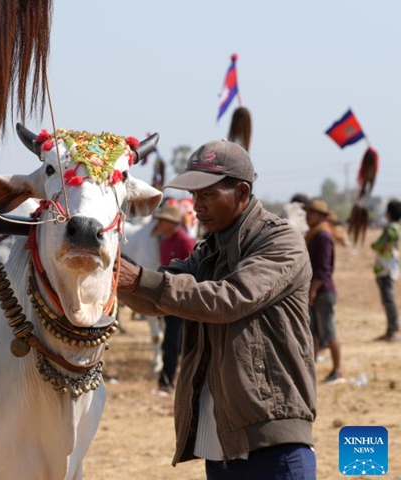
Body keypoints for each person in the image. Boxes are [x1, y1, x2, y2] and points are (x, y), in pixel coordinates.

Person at [117, 139, 316, 479]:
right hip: (219, 446)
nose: (196, 206)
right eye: (195, 196)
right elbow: (157, 294)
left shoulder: (281, 241)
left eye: (207, 195)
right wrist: (110, 275)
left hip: (272, 444)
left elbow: (229, 298)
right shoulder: (209, 249)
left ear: (241, 193)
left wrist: (139, 280)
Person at [151, 203, 196, 395]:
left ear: (172, 223)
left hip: (183, 300)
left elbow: (194, 271)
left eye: (163, 221)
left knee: (174, 341)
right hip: (168, 298)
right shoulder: (164, 243)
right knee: (172, 340)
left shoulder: (185, 242)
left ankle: (167, 381)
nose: (160, 224)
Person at [303, 198, 343, 384]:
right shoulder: (314, 234)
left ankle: (338, 371)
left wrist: (312, 290)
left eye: (311, 213)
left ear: (320, 215)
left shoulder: (323, 236)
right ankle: (311, 371)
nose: (307, 216)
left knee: (329, 333)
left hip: (322, 291)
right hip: (317, 290)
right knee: (314, 333)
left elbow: (323, 269)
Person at [372, 199, 401, 342]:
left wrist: (375, 245)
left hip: (385, 267)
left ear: (388, 213)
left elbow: (378, 245)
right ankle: (391, 330)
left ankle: (394, 330)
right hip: (391, 266)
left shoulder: (390, 229)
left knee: (388, 300)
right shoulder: (397, 227)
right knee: (388, 299)